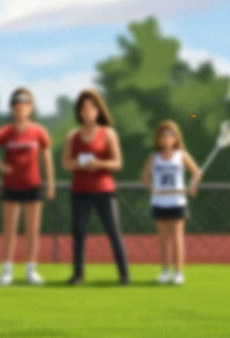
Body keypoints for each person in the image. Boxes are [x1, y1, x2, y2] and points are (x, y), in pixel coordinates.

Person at [0, 88, 55, 286]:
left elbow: (47, 159)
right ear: (12, 108)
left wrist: (50, 183)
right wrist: (1, 166)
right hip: (11, 186)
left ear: (31, 108)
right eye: (16, 106)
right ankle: (6, 271)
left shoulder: (39, 132)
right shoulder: (5, 132)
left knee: (32, 230)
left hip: (33, 185)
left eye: (25, 105)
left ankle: (31, 270)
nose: (20, 109)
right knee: (9, 229)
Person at [63, 89, 129, 285]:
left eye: (91, 107)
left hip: (104, 190)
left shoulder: (108, 133)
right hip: (80, 191)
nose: (87, 112)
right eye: (83, 108)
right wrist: (80, 164)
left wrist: (99, 164)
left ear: (99, 110)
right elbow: (66, 163)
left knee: (113, 231)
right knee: (79, 233)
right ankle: (78, 274)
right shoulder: (73, 136)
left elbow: (117, 163)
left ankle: (124, 275)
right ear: (78, 112)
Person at [141, 120, 202, 285]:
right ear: (158, 139)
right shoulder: (154, 158)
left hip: (177, 201)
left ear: (176, 138)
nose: (166, 139)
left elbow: (196, 172)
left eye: (170, 135)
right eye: (163, 136)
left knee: (177, 238)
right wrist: (153, 189)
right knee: (163, 239)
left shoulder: (181, 155)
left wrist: (192, 186)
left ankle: (178, 272)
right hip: (159, 202)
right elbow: (145, 177)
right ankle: (165, 271)